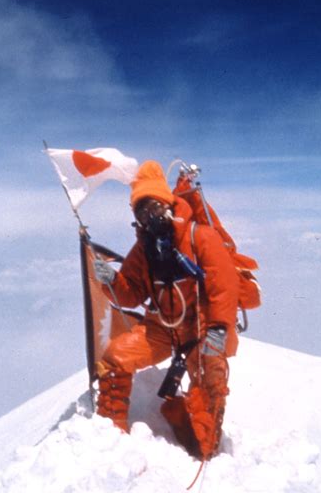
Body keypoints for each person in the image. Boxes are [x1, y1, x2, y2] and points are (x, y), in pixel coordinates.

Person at [93, 160, 239, 459]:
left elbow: (224, 286)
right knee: (115, 357)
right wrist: (111, 282)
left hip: (201, 330)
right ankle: (109, 432)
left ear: (168, 202)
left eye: (154, 205)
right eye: (141, 210)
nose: (149, 215)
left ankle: (206, 444)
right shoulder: (143, 250)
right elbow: (131, 293)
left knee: (211, 379)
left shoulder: (200, 237)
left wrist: (218, 330)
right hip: (162, 329)